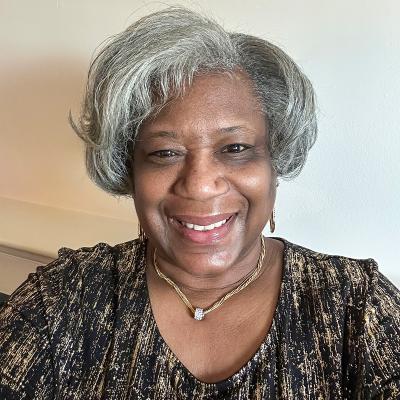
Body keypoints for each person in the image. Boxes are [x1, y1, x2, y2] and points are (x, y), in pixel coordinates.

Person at [1, 7, 399, 399]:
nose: (201, 186)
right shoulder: (62, 299)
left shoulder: (355, 307)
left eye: (235, 148)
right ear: (129, 171)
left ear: (275, 162)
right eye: (165, 152)